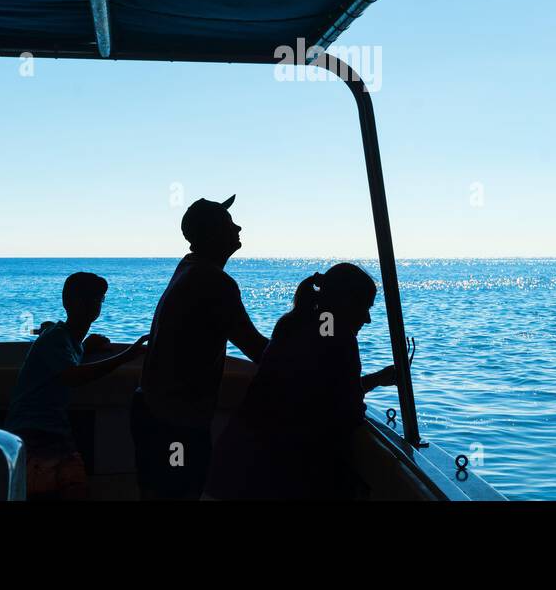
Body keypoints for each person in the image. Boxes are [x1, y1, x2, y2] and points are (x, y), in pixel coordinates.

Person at [204, 262, 397, 500]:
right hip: (277, 477)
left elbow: (315, 387)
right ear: (346, 303)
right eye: (365, 307)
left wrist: (375, 380)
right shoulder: (340, 339)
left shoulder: (291, 324)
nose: (367, 319)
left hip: (236, 467)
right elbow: (347, 410)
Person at [132, 195, 268, 499]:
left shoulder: (189, 267)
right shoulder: (214, 282)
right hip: (175, 423)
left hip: (154, 412)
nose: (238, 226)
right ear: (213, 234)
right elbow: (258, 350)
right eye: (228, 222)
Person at [5, 272, 149, 500]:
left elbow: (68, 360)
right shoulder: (55, 337)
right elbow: (72, 376)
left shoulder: (70, 340)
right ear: (67, 302)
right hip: (33, 434)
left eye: (98, 299)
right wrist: (126, 355)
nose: (93, 304)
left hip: (54, 434)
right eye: (86, 298)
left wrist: (85, 347)